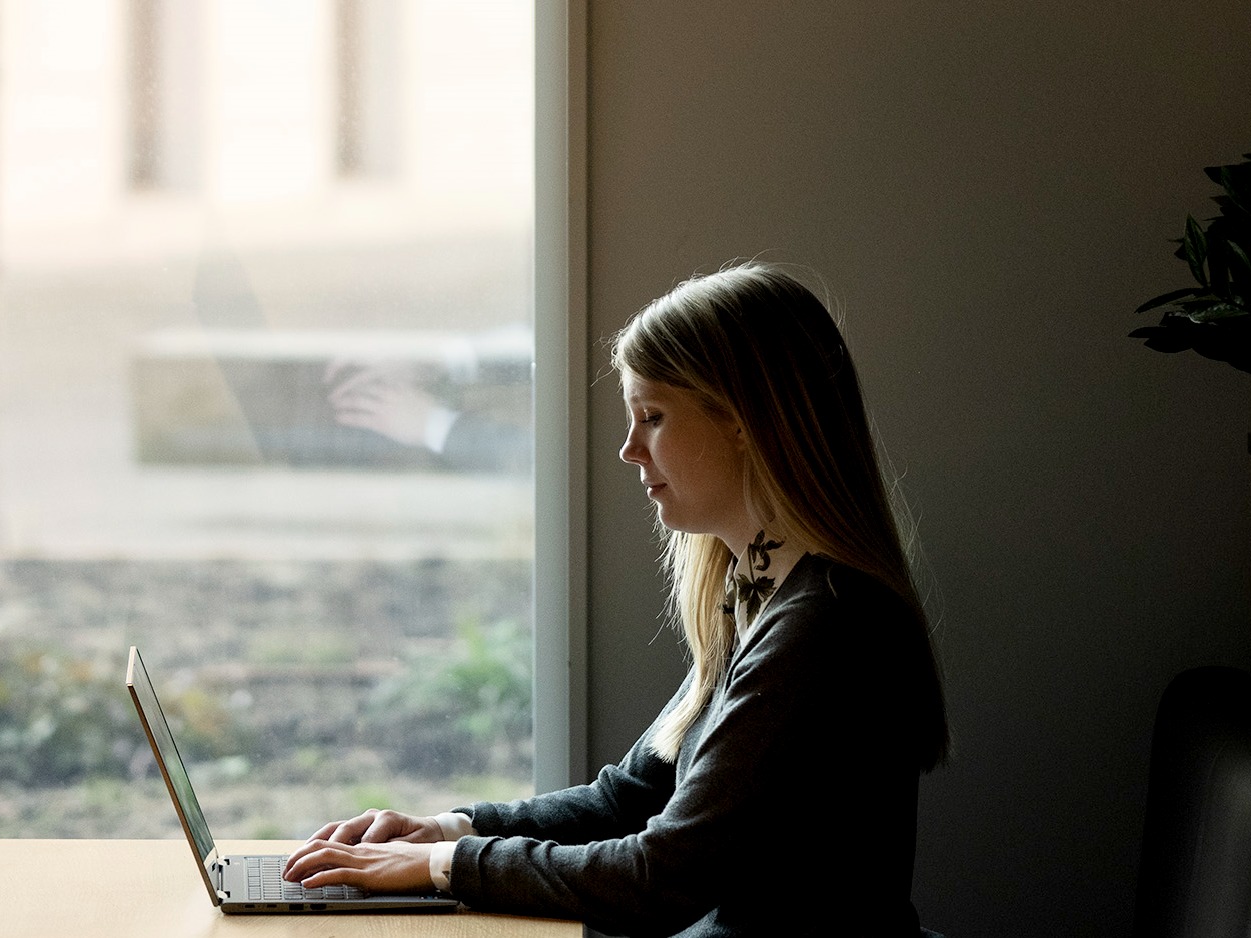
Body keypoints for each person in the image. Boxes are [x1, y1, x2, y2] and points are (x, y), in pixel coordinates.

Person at [281, 262, 950, 937]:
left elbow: (658, 878)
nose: (629, 449)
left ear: (744, 420)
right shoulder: (762, 592)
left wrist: (442, 866)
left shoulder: (823, 626)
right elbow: (629, 797)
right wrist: (450, 828)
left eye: (652, 417)